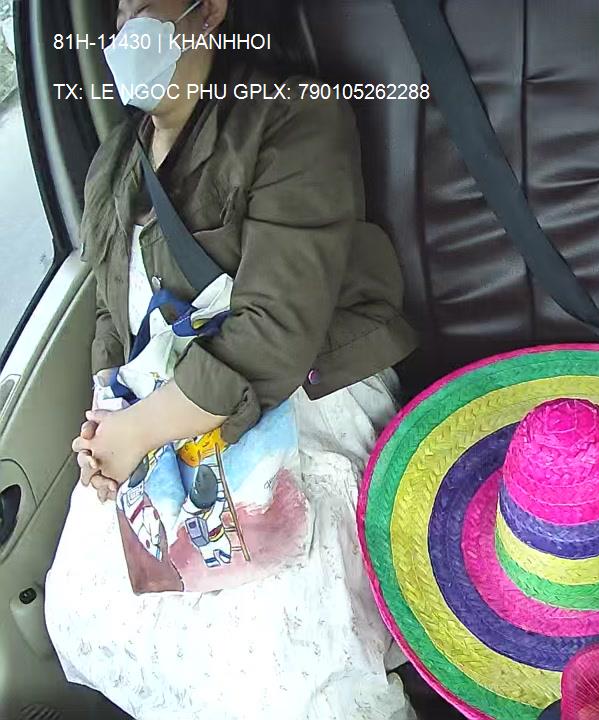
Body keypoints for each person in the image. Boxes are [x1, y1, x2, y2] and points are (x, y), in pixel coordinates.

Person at [43, 0, 418, 718]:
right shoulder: (112, 165)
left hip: (299, 388)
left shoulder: (291, 116)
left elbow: (277, 332)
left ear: (208, 9)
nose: (127, 27)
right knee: (88, 607)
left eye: (146, 4)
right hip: (155, 412)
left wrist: (141, 430)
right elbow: (110, 315)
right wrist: (104, 427)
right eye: (118, 10)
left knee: (275, 666)